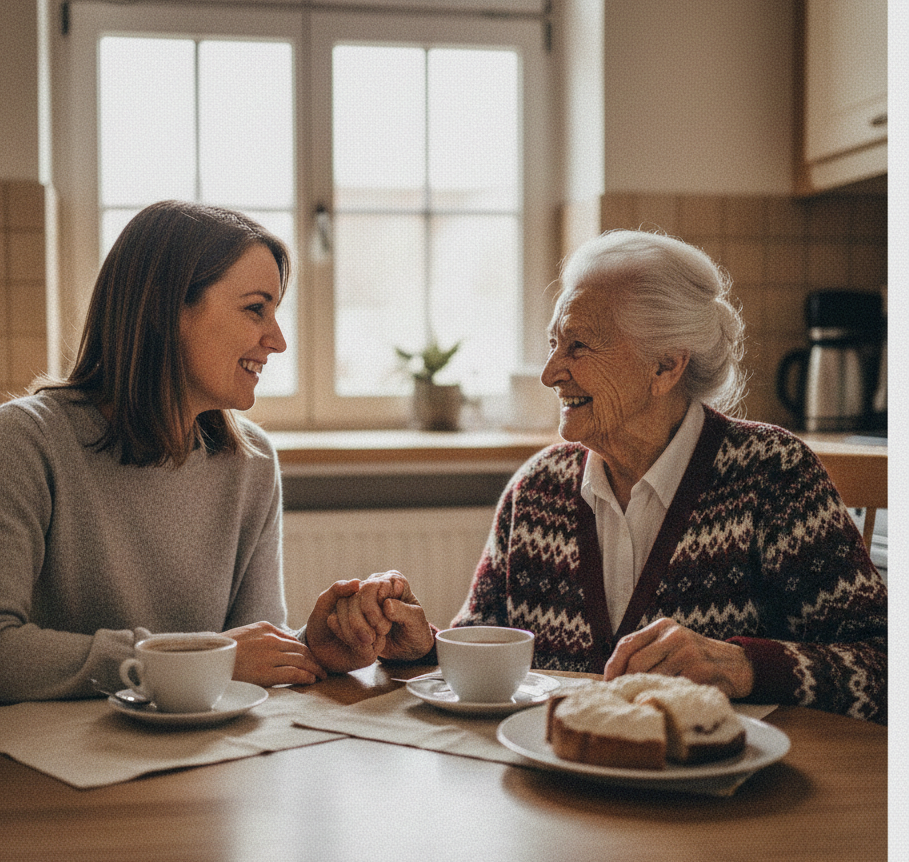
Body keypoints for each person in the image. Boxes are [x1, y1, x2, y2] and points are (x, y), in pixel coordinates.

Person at [319, 230, 887, 723]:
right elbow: (489, 654)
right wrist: (424, 648)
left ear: (665, 365)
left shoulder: (772, 475)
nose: (548, 373)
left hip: (715, 815)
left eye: (578, 346)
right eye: (552, 344)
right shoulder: (536, 492)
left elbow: (884, 668)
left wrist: (742, 666)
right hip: (562, 795)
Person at [0, 200, 367, 708]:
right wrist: (187, 658)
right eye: (256, 308)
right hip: (38, 768)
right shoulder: (25, 440)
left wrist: (311, 650)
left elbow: (243, 661)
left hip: (188, 765)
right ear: (166, 311)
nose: (278, 340)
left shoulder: (250, 462)